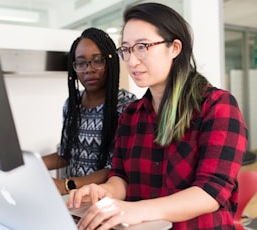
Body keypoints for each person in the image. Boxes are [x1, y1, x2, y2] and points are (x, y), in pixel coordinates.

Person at [66, 3, 248, 230]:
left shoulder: (217, 106)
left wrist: (137, 210)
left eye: (142, 46)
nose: (131, 61)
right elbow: (121, 177)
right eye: (126, 49)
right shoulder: (131, 114)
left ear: (175, 48)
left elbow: (211, 191)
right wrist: (104, 191)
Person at [43, 27, 137, 195]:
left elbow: (115, 168)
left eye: (98, 60)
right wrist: (28, 165)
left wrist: (66, 185)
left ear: (110, 62)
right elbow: (65, 155)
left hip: (107, 201)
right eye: (81, 63)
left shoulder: (126, 106)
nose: (89, 69)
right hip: (76, 202)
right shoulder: (72, 105)